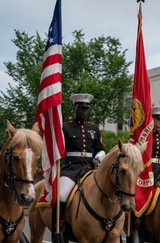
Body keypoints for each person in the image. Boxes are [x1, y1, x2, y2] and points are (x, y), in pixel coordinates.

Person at [51, 93, 105, 242]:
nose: (84, 111)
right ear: (75, 108)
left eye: (87, 108)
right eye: (81, 108)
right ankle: (58, 229)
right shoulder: (66, 127)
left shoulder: (94, 129)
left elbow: (99, 148)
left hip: (90, 168)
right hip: (71, 169)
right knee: (61, 195)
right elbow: (57, 148)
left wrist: (100, 155)